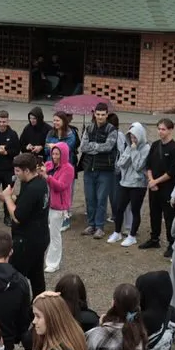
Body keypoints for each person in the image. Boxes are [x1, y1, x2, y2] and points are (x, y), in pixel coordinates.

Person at [0, 152, 50, 297]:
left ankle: (17, 304)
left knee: (14, 276)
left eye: (18, 171)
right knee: (37, 276)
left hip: (27, 242)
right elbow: (24, 202)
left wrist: (8, 198)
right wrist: (4, 197)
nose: (15, 174)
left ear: (27, 170)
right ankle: (40, 303)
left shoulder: (33, 188)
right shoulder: (39, 182)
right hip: (40, 237)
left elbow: (17, 216)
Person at [78, 102, 119, 239]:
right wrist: (98, 147)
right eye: (98, 114)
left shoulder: (112, 130)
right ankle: (91, 225)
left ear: (107, 115)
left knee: (101, 199)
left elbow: (108, 147)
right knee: (90, 198)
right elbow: (83, 147)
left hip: (105, 170)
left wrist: (93, 146)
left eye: (103, 114)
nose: (100, 117)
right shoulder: (89, 128)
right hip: (89, 168)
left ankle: (100, 227)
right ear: (94, 114)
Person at [143, 119, 175, 250]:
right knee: (154, 213)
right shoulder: (155, 145)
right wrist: (151, 180)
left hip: (168, 188)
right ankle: (154, 238)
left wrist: (156, 181)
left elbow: (172, 172)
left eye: (163, 129)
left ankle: (172, 243)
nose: (160, 131)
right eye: (159, 129)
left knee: (169, 216)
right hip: (153, 187)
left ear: (171, 130)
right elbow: (148, 165)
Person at [43, 143, 74, 274]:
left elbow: (61, 186)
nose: (55, 156)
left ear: (64, 155)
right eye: (53, 154)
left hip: (58, 207)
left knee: (54, 235)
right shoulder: (49, 165)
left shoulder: (68, 169)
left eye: (57, 154)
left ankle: (53, 263)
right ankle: (47, 260)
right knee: (47, 233)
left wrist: (47, 177)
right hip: (47, 204)